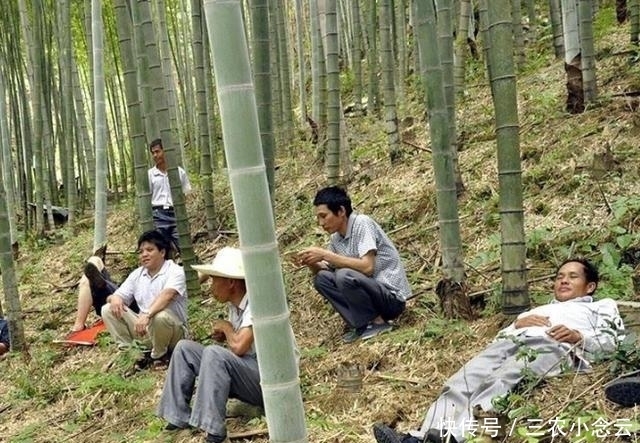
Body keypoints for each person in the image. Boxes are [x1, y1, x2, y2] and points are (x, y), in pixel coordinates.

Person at [373, 258, 625, 443]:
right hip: (508, 343)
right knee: (461, 381)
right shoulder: (537, 309)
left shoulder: (601, 307)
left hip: (551, 346)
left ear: (589, 286)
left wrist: (579, 336)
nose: (563, 280)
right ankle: (419, 438)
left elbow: (614, 339)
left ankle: (455, 437)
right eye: (559, 276)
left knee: (501, 380)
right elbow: (499, 336)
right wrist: (517, 324)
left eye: (572, 276)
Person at [157, 247, 262, 443]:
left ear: (231, 282)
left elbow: (239, 347)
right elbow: (241, 344)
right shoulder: (235, 306)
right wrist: (227, 334)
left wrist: (227, 328)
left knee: (214, 353)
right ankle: (177, 418)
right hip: (247, 370)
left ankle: (214, 431)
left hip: (266, 379)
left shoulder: (257, 303)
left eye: (215, 280)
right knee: (184, 349)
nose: (211, 287)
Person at [296, 186, 412, 342]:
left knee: (344, 274)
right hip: (372, 297)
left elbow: (367, 267)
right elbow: (328, 269)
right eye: (318, 218)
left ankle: (377, 323)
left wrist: (325, 254)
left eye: (324, 216)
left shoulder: (362, 223)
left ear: (341, 211)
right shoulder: (336, 238)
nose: (321, 223)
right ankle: (362, 325)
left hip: (391, 298)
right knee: (321, 278)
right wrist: (311, 262)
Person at [101, 230, 188, 368]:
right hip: (145, 330)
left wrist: (147, 314)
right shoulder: (137, 274)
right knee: (107, 309)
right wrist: (115, 298)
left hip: (173, 334)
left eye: (149, 250)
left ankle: (160, 357)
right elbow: (118, 295)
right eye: (141, 252)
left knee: (160, 316)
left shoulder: (175, 271)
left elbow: (167, 295)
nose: (144, 254)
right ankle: (132, 354)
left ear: (162, 252)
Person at [70, 256, 139, 333]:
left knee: (100, 288)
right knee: (95, 260)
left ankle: (78, 326)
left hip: (129, 307)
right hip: (120, 294)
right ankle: (93, 282)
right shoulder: (140, 273)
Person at [148, 138, 192, 252]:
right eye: (153, 153)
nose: (155, 155)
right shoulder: (150, 174)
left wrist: (181, 213)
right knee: (160, 249)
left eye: (157, 151)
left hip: (176, 213)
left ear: (165, 151)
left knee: (184, 247)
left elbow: (185, 194)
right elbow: (147, 198)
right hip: (158, 215)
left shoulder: (179, 172)